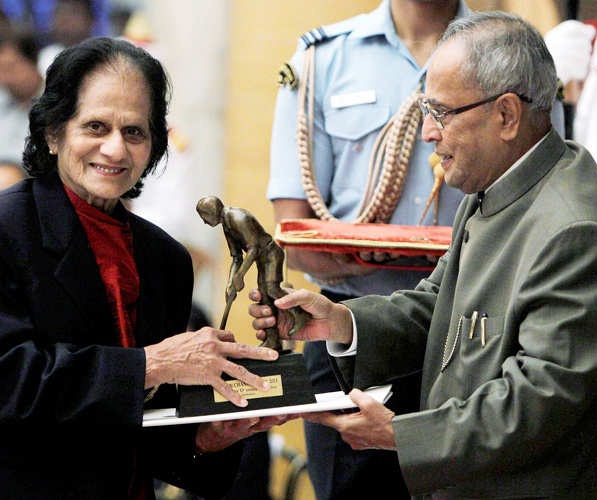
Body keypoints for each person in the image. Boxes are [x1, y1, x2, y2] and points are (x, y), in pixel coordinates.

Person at [250, 10, 597, 497]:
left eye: (442, 114)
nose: (427, 134)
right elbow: (439, 304)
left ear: (506, 115)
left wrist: (399, 436)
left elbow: (542, 398)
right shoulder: (500, 187)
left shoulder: (573, 226)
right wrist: (340, 322)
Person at [0, 36, 287, 499]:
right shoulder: (8, 230)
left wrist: (208, 439)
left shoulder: (164, 261)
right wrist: (151, 364)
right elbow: (11, 379)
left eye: (134, 132)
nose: (115, 150)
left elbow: (148, 433)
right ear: (53, 133)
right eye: (95, 126)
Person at [269, 1, 470, 497]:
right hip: (346, 331)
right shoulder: (322, 58)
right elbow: (294, 234)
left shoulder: (507, 54)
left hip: (470, 331)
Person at [197, 195, 308, 350]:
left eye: (204, 217)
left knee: (271, 289)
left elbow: (253, 248)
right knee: (265, 298)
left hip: (271, 255)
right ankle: (272, 340)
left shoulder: (238, 218)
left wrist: (241, 275)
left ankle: (299, 314)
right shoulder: (227, 225)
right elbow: (237, 257)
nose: (204, 221)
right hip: (261, 259)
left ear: (212, 212)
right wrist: (231, 283)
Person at [0, 25, 42, 187]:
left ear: (33, 62)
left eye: (10, 68)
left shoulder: (56, 104)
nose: (4, 79)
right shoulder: (2, 98)